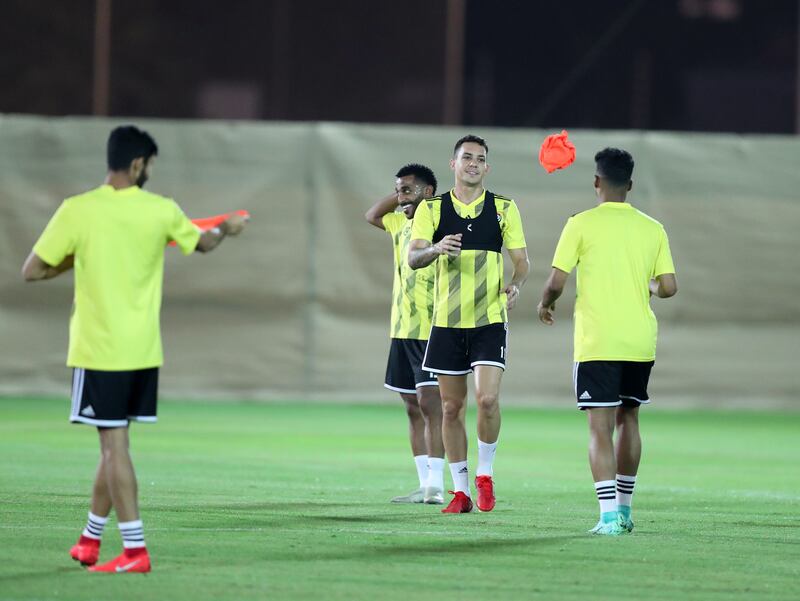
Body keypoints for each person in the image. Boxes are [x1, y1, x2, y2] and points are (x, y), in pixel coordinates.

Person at [21, 125, 248, 572]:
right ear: (138, 163)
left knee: (114, 446)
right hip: (143, 352)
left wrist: (77, 257)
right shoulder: (160, 211)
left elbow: (32, 270)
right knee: (113, 445)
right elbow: (205, 242)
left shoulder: (79, 210)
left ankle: (134, 551)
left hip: (99, 350)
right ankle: (89, 540)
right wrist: (228, 225)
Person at [536, 147, 677, 535]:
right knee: (628, 418)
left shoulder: (580, 223)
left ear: (596, 182)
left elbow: (556, 282)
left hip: (598, 340)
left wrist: (545, 305)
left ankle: (609, 516)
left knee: (599, 426)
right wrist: (644, 285)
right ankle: (626, 510)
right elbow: (669, 287)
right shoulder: (653, 228)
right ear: (629, 185)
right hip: (639, 341)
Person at [408, 135, 529, 514]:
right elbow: (413, 258)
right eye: (467, 157)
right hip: (446, 322)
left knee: (488, 400)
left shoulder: (503, 208)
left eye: (480, 159)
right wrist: (435, 248)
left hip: (489, 319)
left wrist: (516, 284)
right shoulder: (432, 209)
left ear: (487, 167)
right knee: (450, 408)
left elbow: (522, 262)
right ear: (453, 164)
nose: (473, 163)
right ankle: (460, 492)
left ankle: (485, 474)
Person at [365, 164, 446, 504]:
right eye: (398, 190)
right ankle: (425, 484)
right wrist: (402, 194)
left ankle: (439, 484)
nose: (400, 197)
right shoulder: (400, 224)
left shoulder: (441, 225)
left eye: (408, 190)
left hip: (431, 329)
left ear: (428, 192)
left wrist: (423, 199)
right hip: (401, 330)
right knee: (412, 408)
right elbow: (372, 214)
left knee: (432, 406)